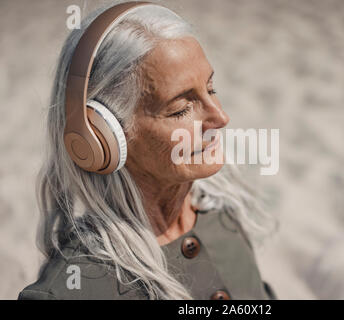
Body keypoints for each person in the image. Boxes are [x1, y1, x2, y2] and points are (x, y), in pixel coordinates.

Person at [18, 1, 277, 300]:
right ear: (101, 137)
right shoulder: (71, 291)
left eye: (211, 89)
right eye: (181, 109)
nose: (219, 117)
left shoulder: (224, 217)